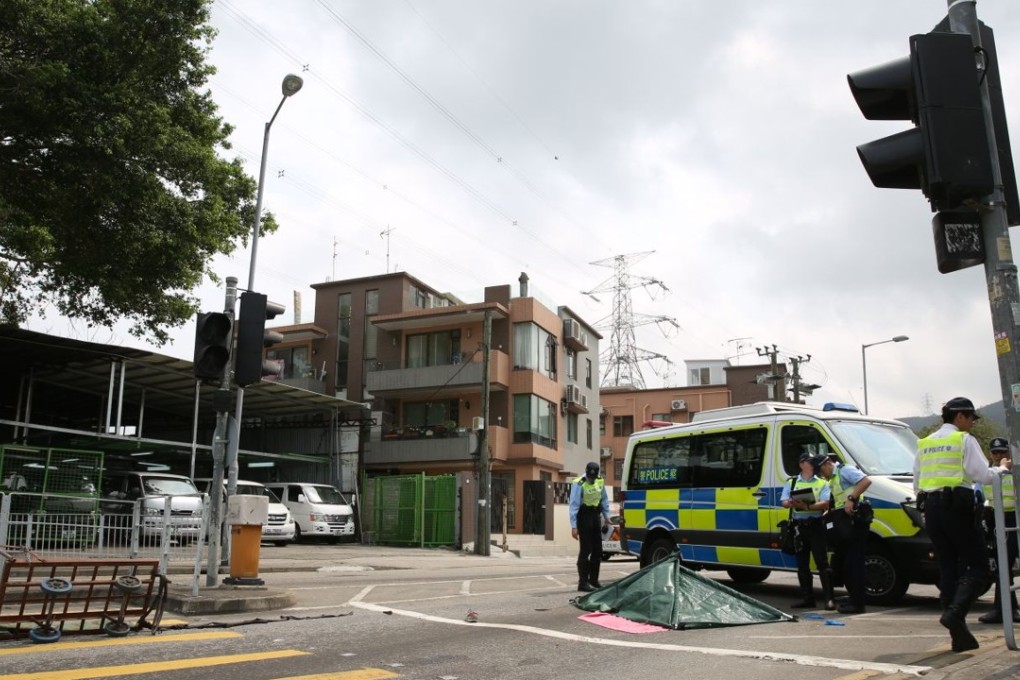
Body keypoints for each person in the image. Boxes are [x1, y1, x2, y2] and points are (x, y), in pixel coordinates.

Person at [914, 397, 1011, 653]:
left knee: (948, 565)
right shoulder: (963, 440)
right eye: (970, 418)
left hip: (931, 508)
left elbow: (917, 481)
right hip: (956, 507)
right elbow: (982, 475)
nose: (971, 423)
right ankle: (955, 613)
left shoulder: (924, 443)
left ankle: (958, 633)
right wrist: (1000, 469)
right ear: (959, 416)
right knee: (980, 566)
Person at [780, 452, 834, 610]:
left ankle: (829, 599)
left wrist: (808, 506)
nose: (813, 465)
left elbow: (826, 503)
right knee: (802, 565)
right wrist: (790, 502)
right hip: (799, 526)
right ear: (802, 464)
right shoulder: (792, 482)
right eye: (809, 462)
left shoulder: (822, 482)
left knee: (822, 563)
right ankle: (807, 599)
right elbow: (783, 501)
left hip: (816, 525)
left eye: (813, 462)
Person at [819, 453, 872, 614]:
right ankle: (854, 599)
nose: (821, 475)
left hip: (855, 522)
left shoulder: (844, 470)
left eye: (821, 470)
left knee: (854, 564)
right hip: (845, 522)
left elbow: (865, 481)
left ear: (828, 463)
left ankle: (858, 603)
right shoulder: (833, 479)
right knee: (846, 564)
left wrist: (851, 498)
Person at [979, 437, 1020, 624]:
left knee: (1006, 564)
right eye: (995, 452)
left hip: (1016, 519)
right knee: (1002, 567)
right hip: (997, 521)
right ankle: (1004, 609)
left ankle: (1007, 609)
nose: (998, 456)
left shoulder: (1015, 472)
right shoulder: (989, 473)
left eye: (1002, 452)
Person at [569, 461, 611, 592]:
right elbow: (574, 505)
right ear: (586, 472)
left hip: (595, 516)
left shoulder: (600, 481)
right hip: (584, 516)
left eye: (593, 477)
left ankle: (594, 580)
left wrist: (607, 515)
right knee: (586, 549)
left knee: (597, 550)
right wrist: (574, 526)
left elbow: (604, 499)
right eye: (589, 477)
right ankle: (583, 582)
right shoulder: (579, 483)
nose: (591, 479)